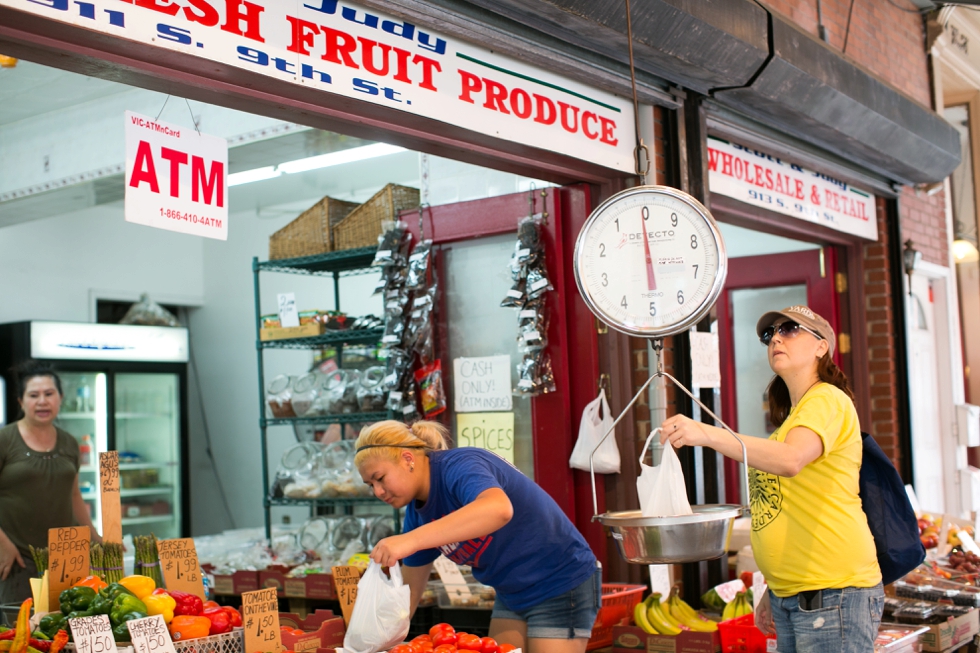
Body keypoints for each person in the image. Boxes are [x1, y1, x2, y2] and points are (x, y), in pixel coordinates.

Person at [660, 305, 882, 653]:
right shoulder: (792, 420)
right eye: (770, 334)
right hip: (793, 595)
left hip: (832, 593)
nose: (776, 338)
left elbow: (791, 460)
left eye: (790, 329)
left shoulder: (828, 400)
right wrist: (773, 588)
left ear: (822, 346)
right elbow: (783, 509)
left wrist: (707, 434)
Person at [355, 420, 600, 653]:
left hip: (560, 580)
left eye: (380, 478)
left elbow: (498, 509)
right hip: (510, 592)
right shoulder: (417, 514)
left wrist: (410, 540)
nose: (378, 491)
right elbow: (408, 594)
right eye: (370, 485)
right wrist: (376, 638)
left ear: (408, 459)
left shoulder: (460, 465)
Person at [0, 361, 102, 603]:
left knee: (65, 629)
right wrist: (2, 544)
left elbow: (74, 494)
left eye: (49, 393)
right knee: (18, 633)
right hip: (17, 557)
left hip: (67, 558)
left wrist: (95, 536)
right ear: (20, 401)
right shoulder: (5, 439)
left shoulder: (69, 442)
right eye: (33, 395)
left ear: (60, 398)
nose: (42, 401)